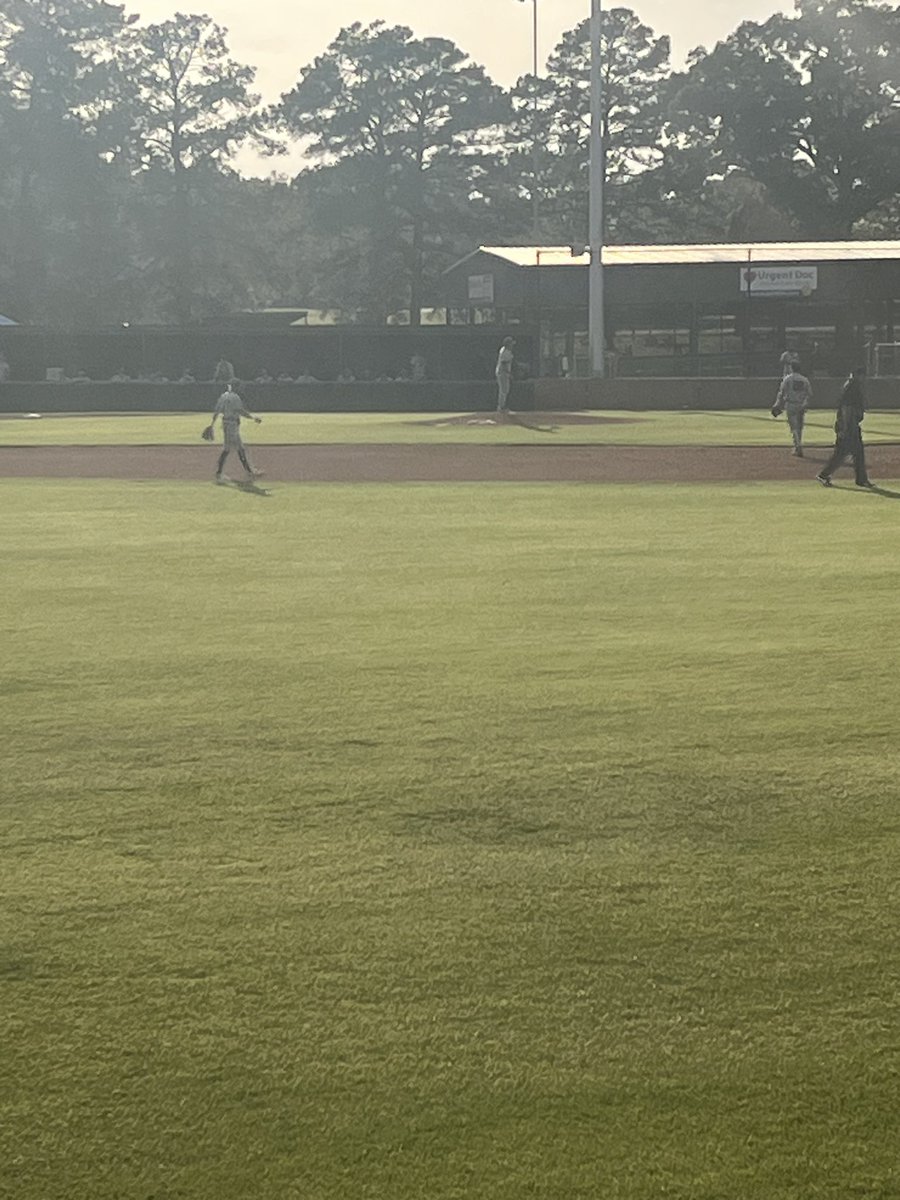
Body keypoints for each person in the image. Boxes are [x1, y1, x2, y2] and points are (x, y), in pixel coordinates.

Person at [816, 367, 874, 489]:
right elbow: (846, 409)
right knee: (841, 454)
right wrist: (846, 429)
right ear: (858, 375)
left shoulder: (852, 386)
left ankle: (861, 479)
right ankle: (823, 475)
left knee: (858, 453)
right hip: (848, 427)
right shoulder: (852, 387)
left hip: (850, 426)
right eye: (863, 375)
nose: (864, 378)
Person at [208, 384, 264, 484]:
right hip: (232, 424)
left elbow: (217, 411)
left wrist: (212, 424)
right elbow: (240, 411)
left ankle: (248, 471)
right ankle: (220, 473)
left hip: (226, 423)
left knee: (235, 448)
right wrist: (253, 418)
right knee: (231, 449)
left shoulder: (223, 396)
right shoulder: (235, 397)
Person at [772, 365, 812, 457]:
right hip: (801, 404)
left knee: (793, 426)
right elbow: (809, 394)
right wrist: (805, 403)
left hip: (791, 404)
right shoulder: (804, 379)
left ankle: (797, 445)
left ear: (792, 368)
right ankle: (798, 445)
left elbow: (781, 393)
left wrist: (777, 404)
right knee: (799, 426)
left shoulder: (788, 379)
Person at [495, 337, 515, 412]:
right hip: (503, 372)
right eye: (511, 343)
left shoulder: (505, 350)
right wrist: (508, 373)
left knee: (505, 390)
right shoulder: (505, 351)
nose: (512, 345)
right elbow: (504, 363)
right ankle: (501, 407)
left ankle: (502, 406)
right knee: (504, 390)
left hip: (503, 372)